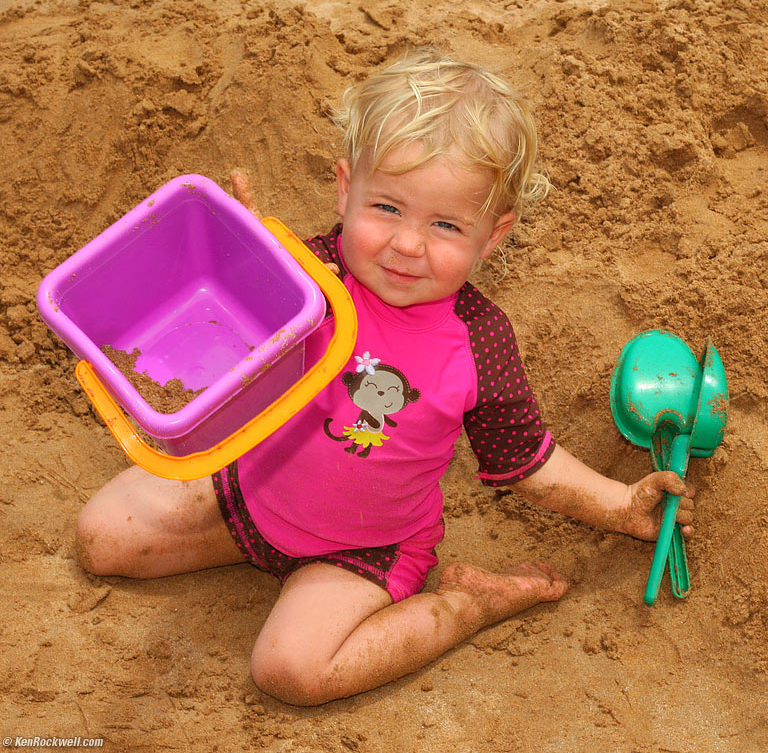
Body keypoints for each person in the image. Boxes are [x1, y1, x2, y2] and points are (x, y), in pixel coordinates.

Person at [76, 49, 695, 706]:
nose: (408, 244)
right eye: (388, 208)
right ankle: (258, 550)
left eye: (447, 225)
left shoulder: (478, 341)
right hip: (247, 493)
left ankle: (467, 606)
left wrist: (622, 506)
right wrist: (242, 259)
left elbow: (527, 462)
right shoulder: (307, 271)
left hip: (363, 549)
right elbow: (214, 344)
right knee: (102, 538)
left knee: (292, 671)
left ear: (493, 235)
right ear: (346, 189)